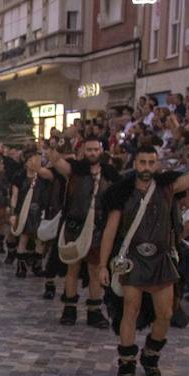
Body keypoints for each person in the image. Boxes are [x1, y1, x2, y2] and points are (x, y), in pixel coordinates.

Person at [97, 140, 189, 376]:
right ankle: (126, 363)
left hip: (161, 258)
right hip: (131, 260)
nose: (146, 167)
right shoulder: (121, 192)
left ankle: (150, 356)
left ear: (157, 164)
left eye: (151, 162)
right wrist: (102, 265)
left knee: (165, 313)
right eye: (142, 162)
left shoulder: (168, 187)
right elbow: (110, 230)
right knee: (130, 309)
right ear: (135, 163)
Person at [48, 138, 116, 327]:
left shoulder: (109, 174)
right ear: (83, 151)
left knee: (95, 270)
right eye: (89, 150)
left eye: (96, 149)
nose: (93, 153)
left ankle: (94, 311)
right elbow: (54, 160)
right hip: (74, 226)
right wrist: (59, 141)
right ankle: (69, 308)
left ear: (101, 151)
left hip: (98, 228)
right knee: (73, 268)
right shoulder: (75, 170)